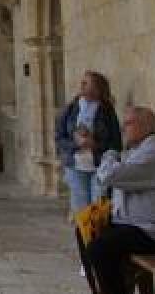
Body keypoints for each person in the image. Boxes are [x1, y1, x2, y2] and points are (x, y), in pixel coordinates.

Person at [81, 105, 155, 294]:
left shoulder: (154, 155)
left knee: (99, 249)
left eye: (128, 123)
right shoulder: (139, 151)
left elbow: (109, 176)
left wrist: (109, 154)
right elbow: (111, 180)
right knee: (85, 230)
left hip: (152, 232)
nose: (123, 128)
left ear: (144, 126)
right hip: (133, 224)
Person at [56, 71, 123, 215]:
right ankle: (84, 238)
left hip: (100, 167)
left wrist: (95, 144)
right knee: (81, 212)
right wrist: (76, 144)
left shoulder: (107, 111)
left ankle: (98, 238)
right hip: (75, 166)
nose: (81, 85)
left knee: (99, 210)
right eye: (82, 82)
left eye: (86, 83)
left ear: (97, 88)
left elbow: (117, 143)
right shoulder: (71, 109)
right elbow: (59, 138)